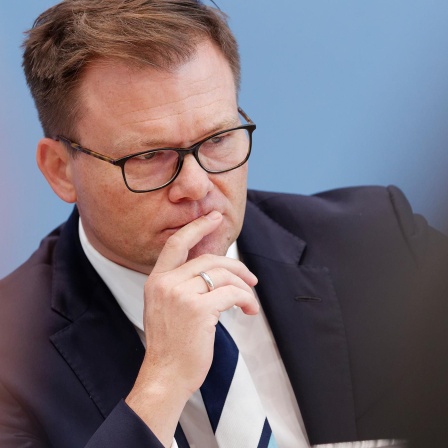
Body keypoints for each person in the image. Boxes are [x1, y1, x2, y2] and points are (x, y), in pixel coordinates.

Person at [1, 0, 447, 447]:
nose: (195, 185)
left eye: (216, 139)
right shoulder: (10, 359)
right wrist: (161, 384)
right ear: (60, 169)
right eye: (149, 156)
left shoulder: (383, 248)